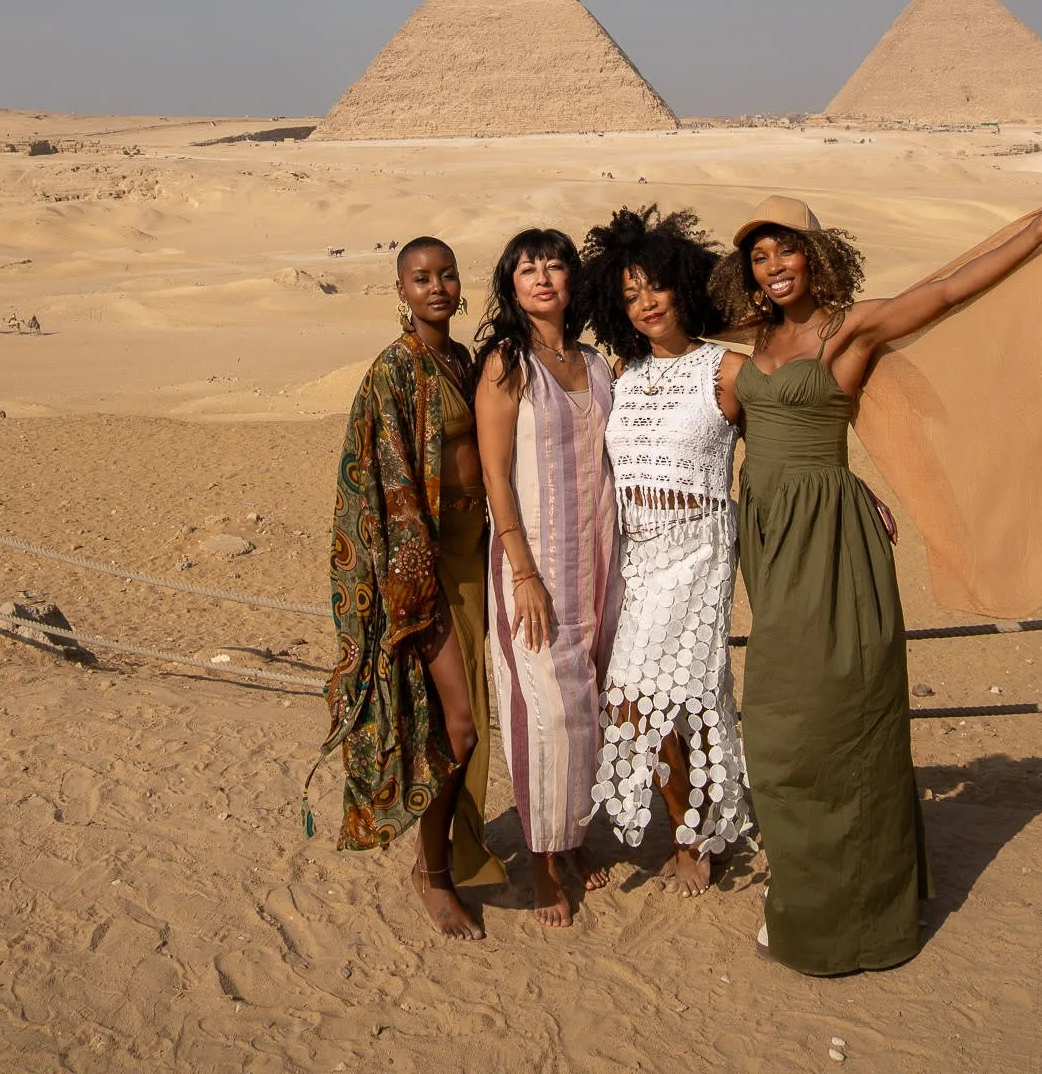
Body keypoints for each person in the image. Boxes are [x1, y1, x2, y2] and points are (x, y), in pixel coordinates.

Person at [709, 193, 1042, 976]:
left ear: (816, 253)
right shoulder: (752, 338)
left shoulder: (851, 326)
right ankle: (814, 894)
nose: (772, 269)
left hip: (830, 539)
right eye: (759, 258)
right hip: (767, 537)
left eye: (785, 252)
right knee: (787, 727)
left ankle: (854, 914)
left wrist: (1033, 231)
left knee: (826, 722)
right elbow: (677, 349)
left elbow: (944, 292)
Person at [307, 236, 505, 941]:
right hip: (420, 570)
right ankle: (434, 872)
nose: (437, 288)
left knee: (476, 720)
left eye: (447, 275)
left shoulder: (461, 361)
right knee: (457, 725)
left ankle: (457, 849)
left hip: (475, 555)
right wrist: (406, 584)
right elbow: (383, 483)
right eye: (421, 278)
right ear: (400, 291)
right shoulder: (393, 372)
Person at [579, 207, 752, 896]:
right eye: (627, 295)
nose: (645, 303)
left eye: (653, 286)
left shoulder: (728, 370)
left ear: (682, 285)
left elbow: (787, 445)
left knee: (662, 699)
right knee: (653, 700)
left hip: (699, 551)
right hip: (638, 556)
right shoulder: (621, 372)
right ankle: (698, 824)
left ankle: (693, 841)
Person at [475, 228, 620, 928]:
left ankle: (573, 840)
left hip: (596, 565)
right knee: (545, 714)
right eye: (527, 269)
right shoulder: (507, 363)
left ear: (572, 282)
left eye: (554, 267)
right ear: (510, 284)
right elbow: (494, 472)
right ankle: (539, 862)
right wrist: (522, 570)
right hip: (534, 570)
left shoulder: (593, 363)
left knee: (587, 708)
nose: (541, 279)